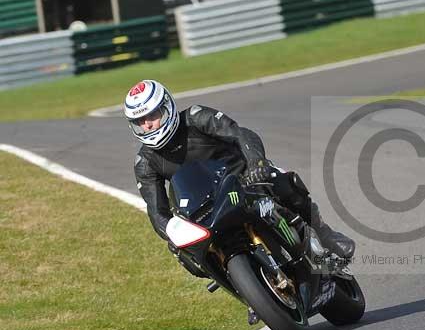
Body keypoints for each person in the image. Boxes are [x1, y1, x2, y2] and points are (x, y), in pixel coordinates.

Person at [125, 79, 355, 285]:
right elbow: (157, 212)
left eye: (153, 116)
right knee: (183, 254)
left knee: (283, 181)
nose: (148, 125)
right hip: (202, 211)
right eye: (140, 121)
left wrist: (257, 164)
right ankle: (244, 289)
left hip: (244, 180)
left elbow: (241, 134)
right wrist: (172, 233)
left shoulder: (196, 117)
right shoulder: (144, 163)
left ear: (168, 108)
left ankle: (325, 235)